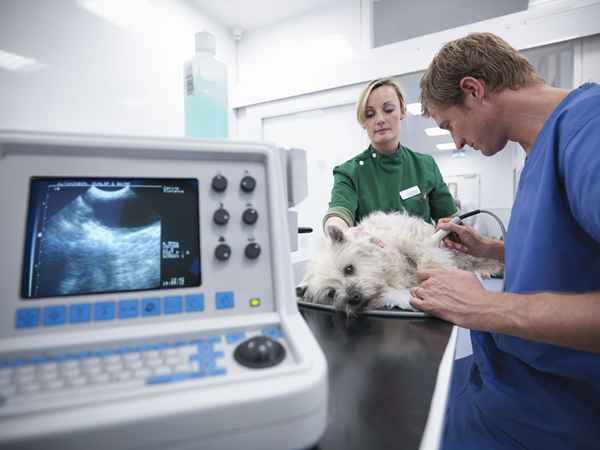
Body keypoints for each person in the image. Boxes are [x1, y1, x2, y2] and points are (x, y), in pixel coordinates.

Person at [411, 32, 600, 449]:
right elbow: (573, 257)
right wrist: (492, 250)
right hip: (507, 376)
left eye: (450, 126)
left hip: (555, 410)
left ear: (473, 91)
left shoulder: (589, 131)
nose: (457, 141)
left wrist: (484, 306)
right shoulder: (537, 147)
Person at [323, 77, 457, 231]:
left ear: (402, 110)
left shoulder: (425, 165)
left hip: (420, 254)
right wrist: (337, 231)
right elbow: (339, 212)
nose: (380, 119)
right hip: (371, 254)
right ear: (363, 122)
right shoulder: (349, 172)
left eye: (388, 110)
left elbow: (450, 219)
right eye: (370, 114)